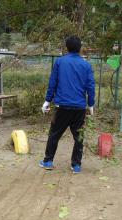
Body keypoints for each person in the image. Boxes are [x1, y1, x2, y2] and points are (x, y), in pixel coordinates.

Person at [40, 36, 95, 173]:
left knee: (54, 134)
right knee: (79, 137)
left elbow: (53, 83)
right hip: (79, 108)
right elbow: (91, 87)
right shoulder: (86, 65)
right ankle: (76, 165)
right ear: (80, 48)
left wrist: (47, 101)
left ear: (67, 47)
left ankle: (48, 161)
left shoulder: (60, 62)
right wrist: (91, 105)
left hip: (62, 107)